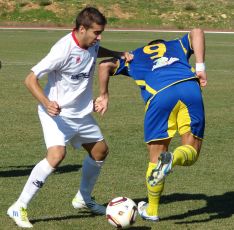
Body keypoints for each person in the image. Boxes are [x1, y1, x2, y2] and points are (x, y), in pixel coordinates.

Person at [7, 7, 132, 228]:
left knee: (100, 151)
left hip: (81, 113)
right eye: (96, 32)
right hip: (57, 114)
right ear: (81, 29)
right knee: (56, 155)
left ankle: (83, 199)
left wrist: (118, 53)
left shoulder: (91, 43)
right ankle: (19, 206)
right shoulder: (62, 50)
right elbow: (30, 79)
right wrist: (47, 103)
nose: (99, 36)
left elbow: (95, 50)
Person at [95, 28, 207, 222]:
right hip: (189, 86)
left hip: (159, 96)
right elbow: (197, 30)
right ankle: (173, 159)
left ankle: (153, 210)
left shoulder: (134, 56)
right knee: (190, 152)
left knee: (155, 161)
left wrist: (104, 94)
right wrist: (200, 67)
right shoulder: (176, 45)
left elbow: (104, 65)